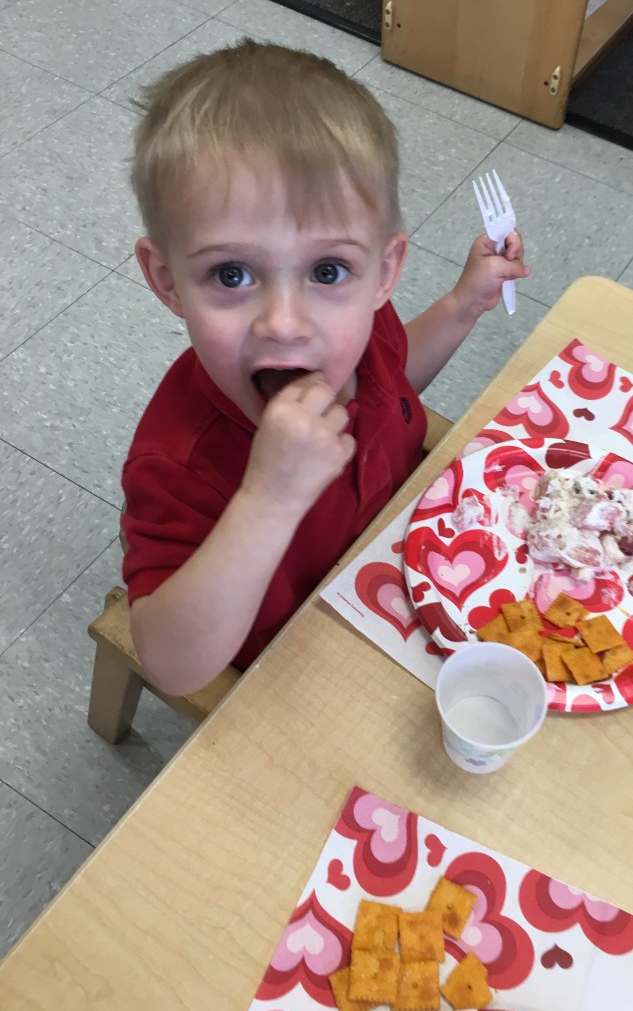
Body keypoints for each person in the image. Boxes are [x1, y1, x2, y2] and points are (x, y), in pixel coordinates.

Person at [122, 39, 528, 697]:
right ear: (168, 282)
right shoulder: (179, 462)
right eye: (232, 274)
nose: (285, 323)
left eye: (328, 271)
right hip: (293, 665)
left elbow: (398, 381)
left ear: (383, 274)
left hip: (405, 574)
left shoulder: (363, 335)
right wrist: (268, 500)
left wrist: (461, 306)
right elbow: (172, 663)